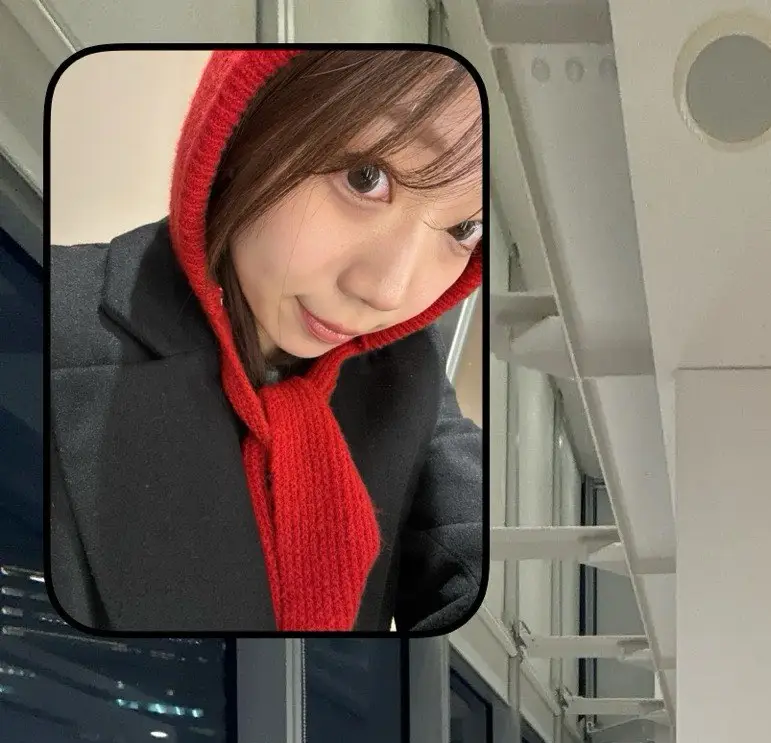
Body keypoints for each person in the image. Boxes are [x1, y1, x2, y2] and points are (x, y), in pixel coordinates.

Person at [48, 46, 486, 636]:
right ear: (242, 132)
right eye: (366, 177)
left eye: (464, 228)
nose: (388, 291)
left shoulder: (405, 368)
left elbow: (474, 545)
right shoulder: (44, 319)